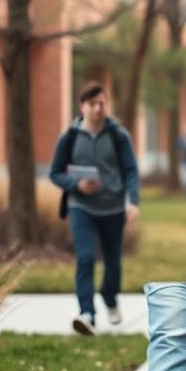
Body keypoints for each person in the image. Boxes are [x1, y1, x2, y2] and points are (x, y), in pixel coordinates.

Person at [49, 81, 141, 335]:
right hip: (81, 207)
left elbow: (131, 170)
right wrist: (77, 184)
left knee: (113, 263)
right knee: (86, 257)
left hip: (112, 208)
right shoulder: (69, 136)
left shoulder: (118, 135)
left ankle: (110, 298)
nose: (98, 109)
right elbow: (55, 173)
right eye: (93, 104)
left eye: (102, 103)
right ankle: (87, 313)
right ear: (82, 106)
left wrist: (132, 201)